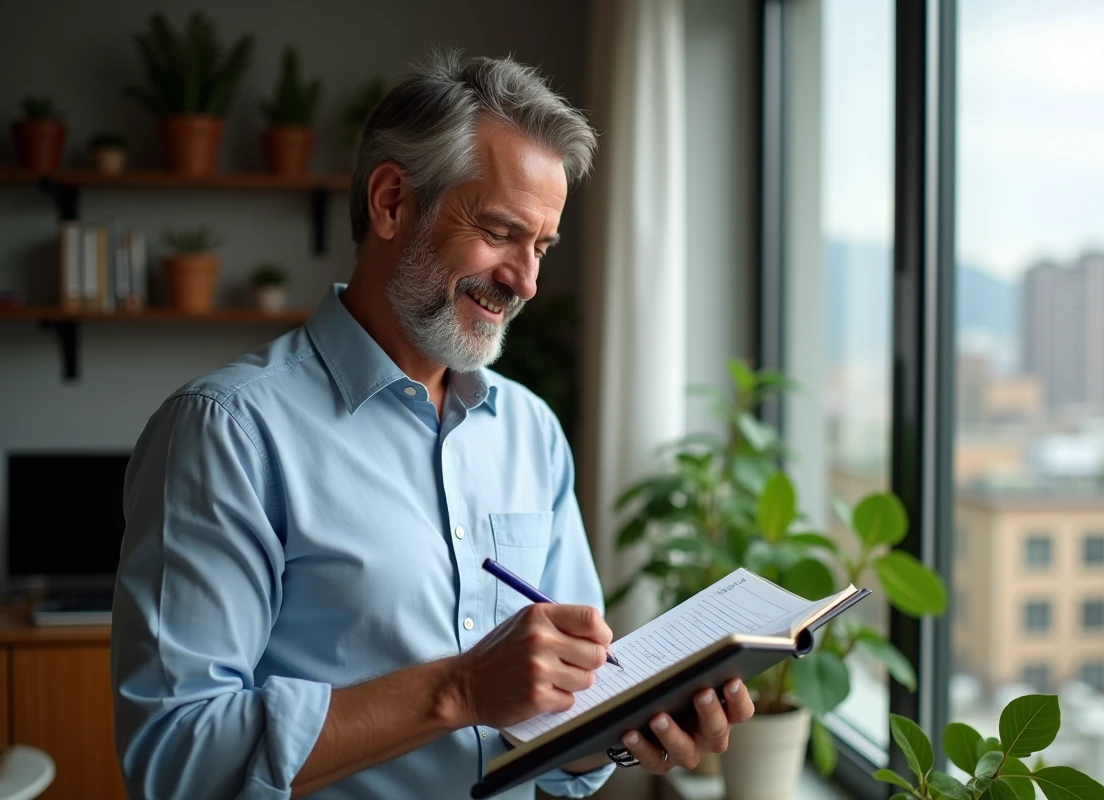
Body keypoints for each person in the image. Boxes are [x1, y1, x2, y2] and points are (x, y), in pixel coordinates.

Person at [110, 51, 754, 800]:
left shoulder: (532, 433)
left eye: (541, 247)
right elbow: (176, 758)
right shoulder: (226, 433)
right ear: (391, 203)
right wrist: (461, 690)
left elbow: (560, 730)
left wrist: (624, 730)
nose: (526, 281)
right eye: (501, 231)